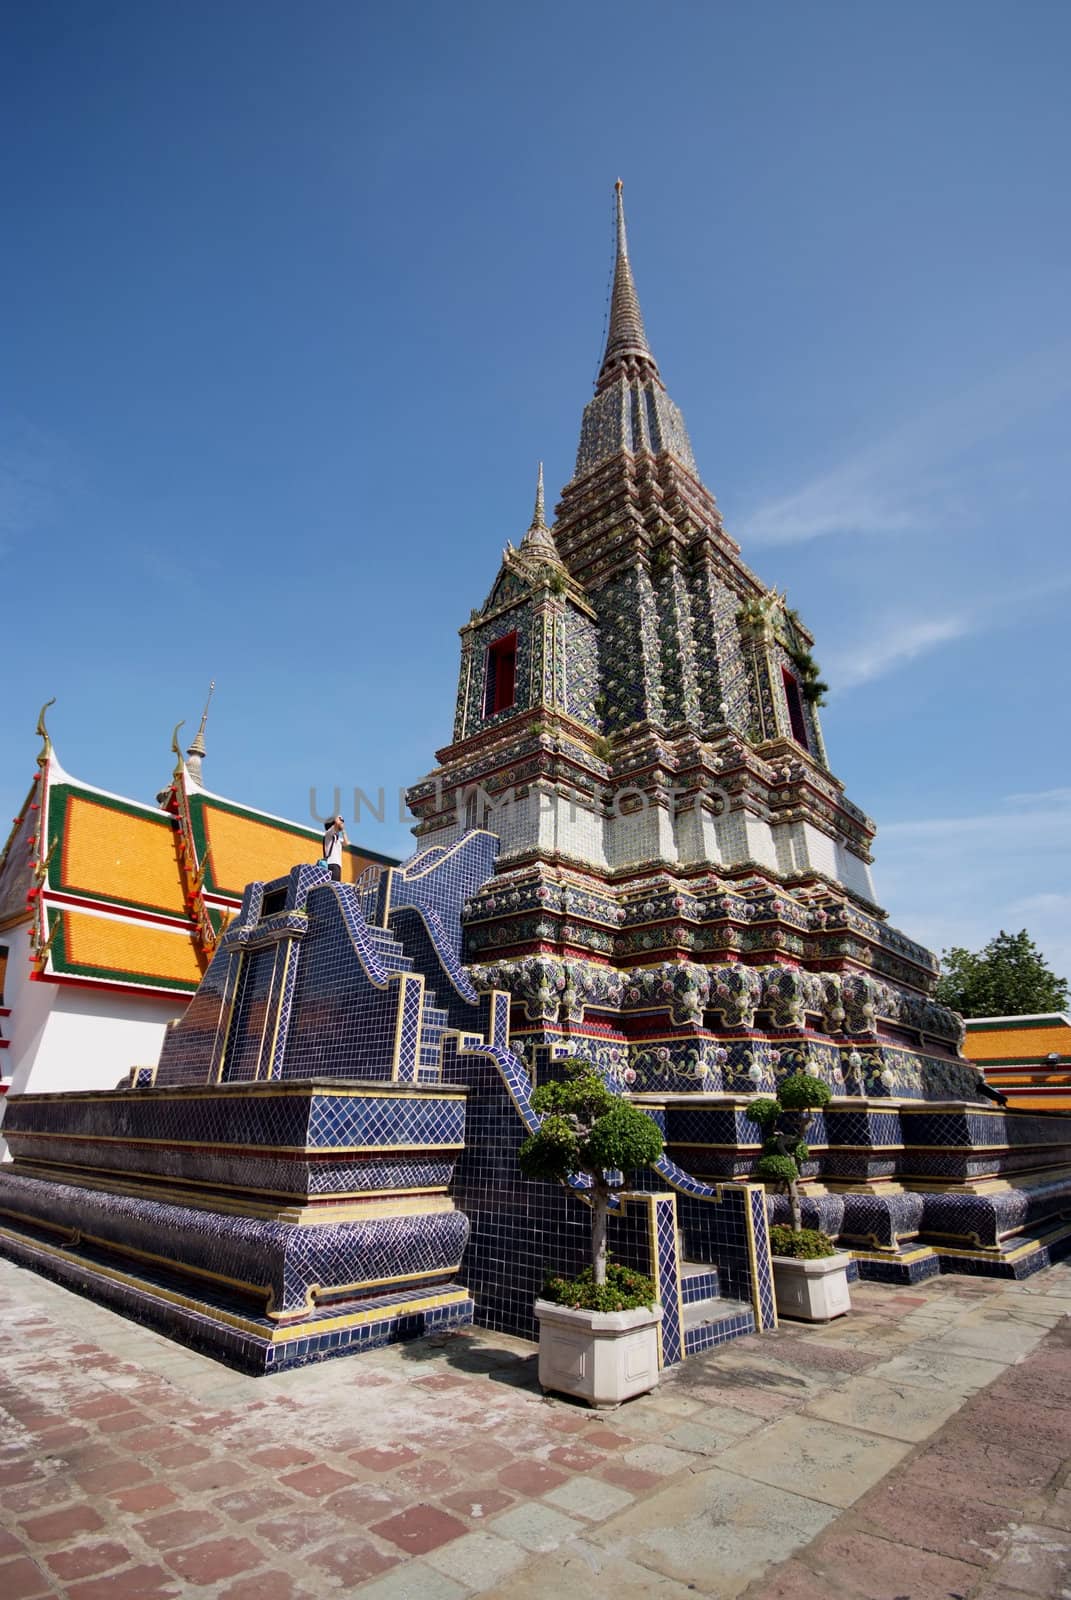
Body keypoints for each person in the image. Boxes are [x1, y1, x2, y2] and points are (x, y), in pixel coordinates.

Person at [322, 815, 347, 882]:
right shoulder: (328, 833)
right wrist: (337, 818)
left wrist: (343, 830)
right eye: (340, 821)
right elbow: (336, 825)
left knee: (335, 886)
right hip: (331, 863)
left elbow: (346, 843)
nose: (342, 823)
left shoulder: (337, 839)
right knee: (333, 886)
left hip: (337, 865)